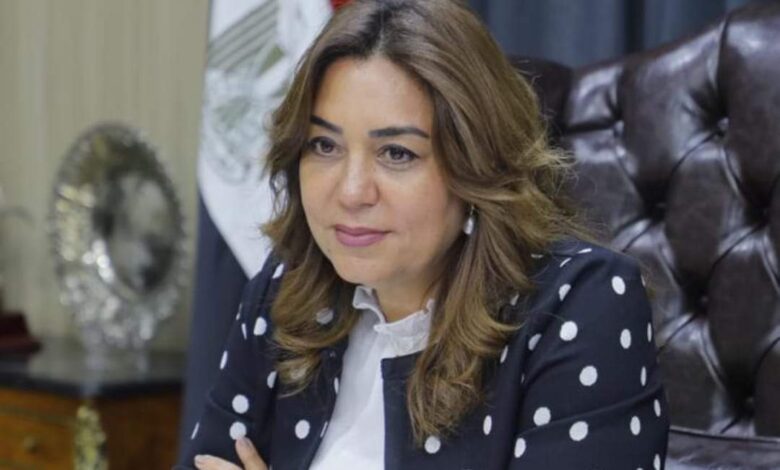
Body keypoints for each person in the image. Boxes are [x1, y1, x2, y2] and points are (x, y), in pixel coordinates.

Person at [176, 0, 670, 468]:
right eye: (324, 145)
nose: (351, 192)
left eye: (396, 154)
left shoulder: (583, 302)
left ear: (476, 166)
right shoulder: (286, 289)